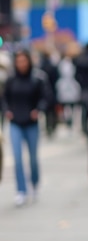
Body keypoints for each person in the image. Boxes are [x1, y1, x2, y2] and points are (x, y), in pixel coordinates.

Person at [3, 49, 53, 206]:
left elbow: (46, 97)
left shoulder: (37, 78)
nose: (21, 64)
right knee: (17, 158)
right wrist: (7, 111)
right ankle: (21, 190)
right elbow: (4, 98)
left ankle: (34, 182)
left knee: (32, 158)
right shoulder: (11, 80)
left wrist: (38, 110)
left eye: (24, 61)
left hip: (31, 123)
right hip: (15, 122)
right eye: (19, 61)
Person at [56, 47, 82, 130]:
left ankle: (69, 121)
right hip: (65, 87)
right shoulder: (63, 64)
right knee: (66, 106)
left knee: (70, 106)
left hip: (70, 87)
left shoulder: (73, 64)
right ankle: (68, 120)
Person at [38, 49, 60, 137]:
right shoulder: (53, 66)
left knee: (47, 111)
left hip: (44, 92)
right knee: (53, 110)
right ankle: (53, 125)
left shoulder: (41, 67)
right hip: (53, 90)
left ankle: (48, 127)